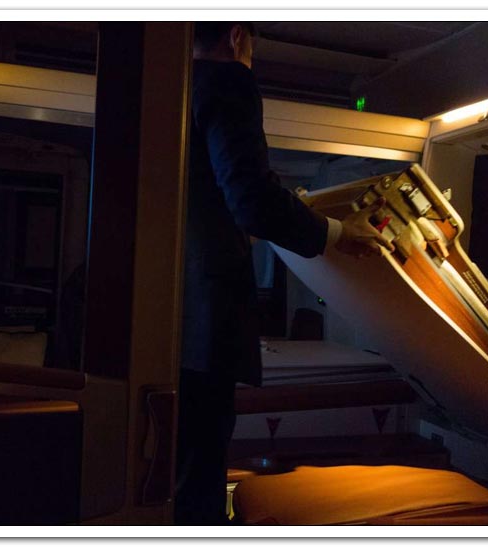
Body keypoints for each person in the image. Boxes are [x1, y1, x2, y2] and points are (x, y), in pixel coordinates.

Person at [175, 21, 394, 525]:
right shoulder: (227, 80)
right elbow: (252, 199)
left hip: (173, 321)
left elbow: (209, 208)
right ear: (237, 37)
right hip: (205, 324)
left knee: (179, 469)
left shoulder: (174, 91)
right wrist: (338, 233)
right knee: (200, 476)